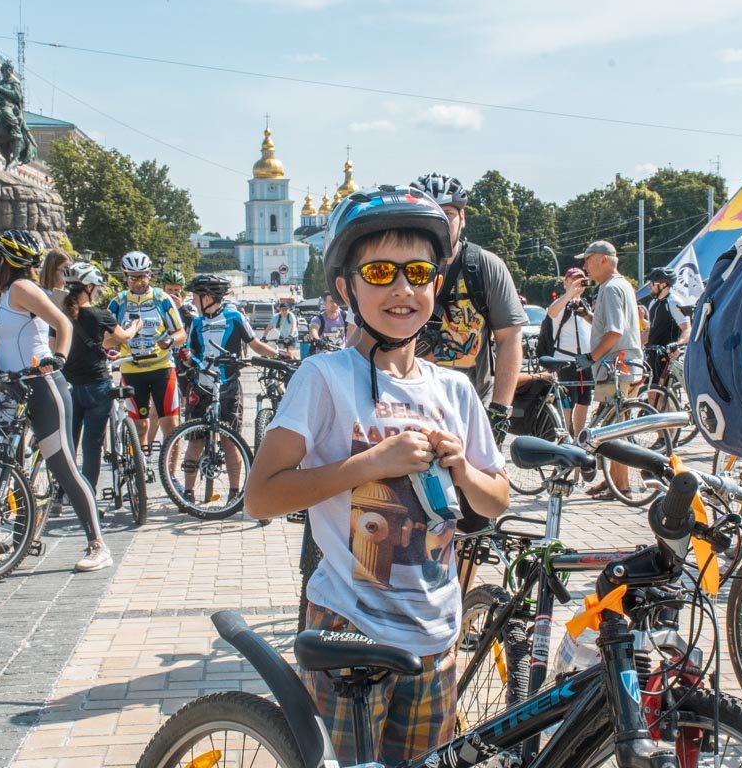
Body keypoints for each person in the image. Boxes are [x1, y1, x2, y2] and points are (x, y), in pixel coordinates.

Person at [246, 186, 508, 765]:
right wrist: (370, 465)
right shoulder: (323, 378)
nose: (402, 289)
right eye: (381, 271)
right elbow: (260, 497)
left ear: (436, 285)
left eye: (418, 271)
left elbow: (495, 501)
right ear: (346, 287)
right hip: (351, 633)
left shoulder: (454, 390)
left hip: (437, 635)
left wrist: (462, 469)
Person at [0, 232, 111, 573]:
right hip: (11, 387)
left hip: (41, 386)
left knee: (64, 467)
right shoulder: (9, 293)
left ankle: (98, 544)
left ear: (5, 261)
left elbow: (62, 324)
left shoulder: (23, 288)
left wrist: (57, 358)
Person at [411, 173, 526, 447]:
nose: (438, 220)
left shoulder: (485, 267)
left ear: (463, 219)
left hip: (472, 411)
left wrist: (499, 411)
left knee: (479, 487)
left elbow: (509, 339)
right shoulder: (395, 266)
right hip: (409, 410)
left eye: (448, 213)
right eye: (429, 211)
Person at [181, 273, 282, 507]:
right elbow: (189, 352)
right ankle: (187, 493)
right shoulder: (197, 323)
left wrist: (279, 356)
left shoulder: (234, 316)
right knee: (195, 441)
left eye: (196, 296)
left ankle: (235, 492)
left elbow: (255, 344)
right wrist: (187, 360)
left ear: (208, 296)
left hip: (228, 386)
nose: (193, 300)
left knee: (230, 440)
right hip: (202, 386)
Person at [62, 262, 139, 504]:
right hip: (97, 385)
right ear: (88, 287)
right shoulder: (100, 315)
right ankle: (88, 498)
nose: (97, 291)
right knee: (92, 445)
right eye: (95, 287)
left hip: (69, 385)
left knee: (69, 444)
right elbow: (122, 337)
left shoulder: (61, 314)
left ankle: (64, 494)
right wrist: (136, 326)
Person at [107, 251, 186, 478]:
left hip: (161, 368)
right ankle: (140, 471)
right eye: (133, 278)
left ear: (150, 275)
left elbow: (181, 332)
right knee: (140, 426)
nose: (139, 282)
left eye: (143, 277)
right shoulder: (118, 302)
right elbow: (106, 336)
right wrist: (112, 347)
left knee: (171, 425)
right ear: (125, 277)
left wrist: (170, 340)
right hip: (132, 370)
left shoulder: (162, 299)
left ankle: (171, 478)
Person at [575, 239, 644, 499]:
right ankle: (613, 480)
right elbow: (616, 327)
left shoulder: (611, 288)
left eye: (588, 259)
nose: (585, 265)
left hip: (615, 366)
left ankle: (621, 486)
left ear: (603, 259)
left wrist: (591, 357)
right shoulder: (622, 285)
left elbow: (614, 332)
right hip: (627, 365)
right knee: (616, 426)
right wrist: (587, 316)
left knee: (613, 431)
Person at [543, 267, 594, 435]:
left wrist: (585, 311)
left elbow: (595, 324)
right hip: (565, 360)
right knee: (567, 401)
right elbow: (551, 312)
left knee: (584, 401)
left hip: (585, 360)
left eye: (581, 280)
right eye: (573, 280)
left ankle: (579, 435)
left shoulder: (584, 304)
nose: (577, 283)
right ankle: (565, 434)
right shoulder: (561, 303)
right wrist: (569, 294)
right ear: (565, 282)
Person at [643, 266, 690, 397]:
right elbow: (650, 331)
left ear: (663, 284)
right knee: (651, 395)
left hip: (666, 354)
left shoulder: (674, 302)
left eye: (652, 283)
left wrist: (678, 344)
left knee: (661, 395)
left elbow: (687, 329)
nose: (649, 286)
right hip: (652, 354)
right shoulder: (653, 303)